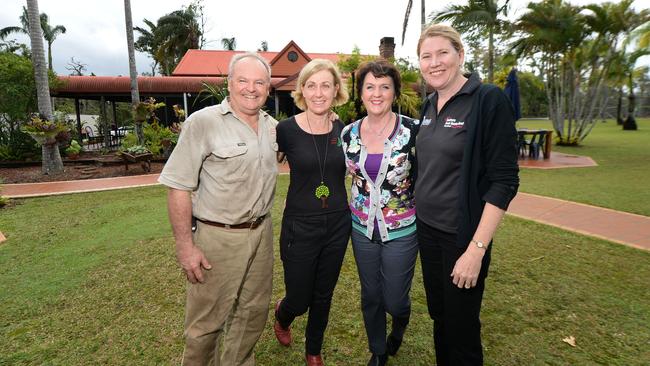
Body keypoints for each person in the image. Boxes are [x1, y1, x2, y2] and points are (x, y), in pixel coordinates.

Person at [159, 52, 278, 366]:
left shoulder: (273, 128)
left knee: (253, 314)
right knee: (206, 324)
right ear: (229, 83)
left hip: (262, 233)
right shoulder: (204, 122)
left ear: (268, 88)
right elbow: (178, 186)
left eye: (259, 82)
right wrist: (186, 247)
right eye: (243, 81)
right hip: (218, 238)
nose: (251, 88)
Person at [415, 24, 520, 365]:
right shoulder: (428, 105)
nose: (434, 62)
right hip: (427, 233)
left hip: (462, 238)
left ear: (460, 55)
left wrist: (476, 250)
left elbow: (504, 181)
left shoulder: (488, 100)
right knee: (440, 318)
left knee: (462, 329)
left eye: (442, 53)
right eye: (426, 56)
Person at [341, 60, 420, 366]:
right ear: (360, 93)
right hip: (361, 231)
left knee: (395, 300)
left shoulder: (413, 131)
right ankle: (378, 350)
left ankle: (399, 326)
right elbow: (329, 178)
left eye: (384, 87)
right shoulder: (348, 134)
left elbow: (427, 176)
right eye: (370, 87)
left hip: (402, 231)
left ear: (395, 92)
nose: (377, 93)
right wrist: (318, 196)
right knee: (371, 296)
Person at [273, 59, 351, 366]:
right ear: (302, 90)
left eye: (326, 85)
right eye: (312, 85)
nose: (319, 93)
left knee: (324, 295)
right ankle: (283, 314)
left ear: (335, 91)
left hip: (337, 224)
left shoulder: (344, 130)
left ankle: (313, 350)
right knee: (300, 298)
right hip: (299, 226)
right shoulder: (285, 130)